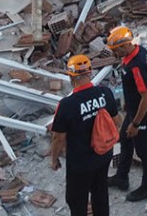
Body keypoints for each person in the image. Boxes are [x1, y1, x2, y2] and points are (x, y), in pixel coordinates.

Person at [50, 54, 118, 216]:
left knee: (76, 200)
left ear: (71, 76)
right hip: (103, 155)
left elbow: (58, 138)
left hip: (80, 163)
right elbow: (117, 121)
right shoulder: (105, 93)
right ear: (90, 72)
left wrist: (54, 159)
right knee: (100, 194)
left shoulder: (67, 105)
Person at [106, 25, 147, 202]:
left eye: (116, 50)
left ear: (123, 46)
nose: (115, 54)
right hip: (134, 109)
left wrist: (136, 123)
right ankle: (122, 177)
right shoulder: (138, 51)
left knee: (144, 151)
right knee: (125, 139)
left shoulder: (136, 66)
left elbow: (146, 97)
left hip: (142, 113)